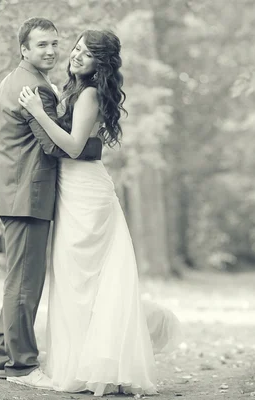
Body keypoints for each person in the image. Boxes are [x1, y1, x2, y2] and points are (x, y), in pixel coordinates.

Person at [18, 29, 180, 396]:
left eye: (86, 53)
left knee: (84, 278)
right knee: (79, 280)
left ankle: (99, 363)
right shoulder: (76, 91)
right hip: (73, 190)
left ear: (100, 63)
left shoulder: (90, 93)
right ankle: (90, 362)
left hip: (86, 193)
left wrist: (36, 112)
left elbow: (74, 147)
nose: (75, 55)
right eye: (75, 48)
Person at [0, 17, 103, 390]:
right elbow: (56, 146)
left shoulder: (14, 79)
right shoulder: (36, 90)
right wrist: (96, 148)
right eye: (41, 46)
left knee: (18, 278)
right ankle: (21, 365)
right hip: (27, 192)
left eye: (54, 43)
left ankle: (2, 358)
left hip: (13, 189)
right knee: (25, 282)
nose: (51, 51)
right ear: (24, 50)